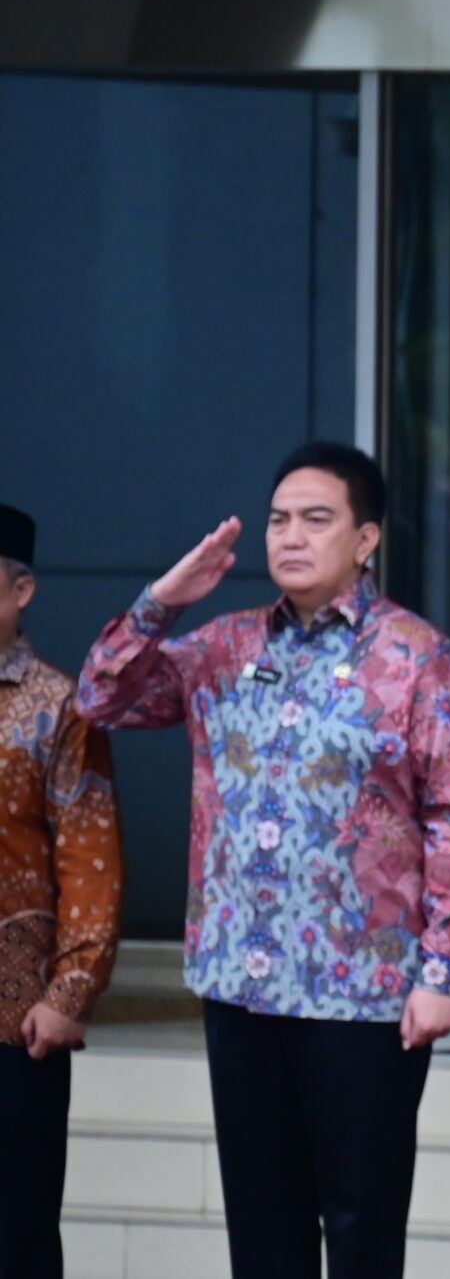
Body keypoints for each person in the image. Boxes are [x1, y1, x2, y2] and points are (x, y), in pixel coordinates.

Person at [76, 444, 450, 1279]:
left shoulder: (416, 655)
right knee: (263, 1233)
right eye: (278, 519)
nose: (291, 536)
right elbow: (101, 696)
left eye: (316, 518)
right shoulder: (221, 648)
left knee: (361, 1225)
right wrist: (160, 601)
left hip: (365, 997)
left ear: (366, 537)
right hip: (244, 982)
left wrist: (442, 972)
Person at [0, 505, 120, 1279]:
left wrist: (70, 991)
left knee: (17, 1234)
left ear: (21, 591)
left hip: (17, 1017)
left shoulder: (59, 704)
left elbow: (91, 857)